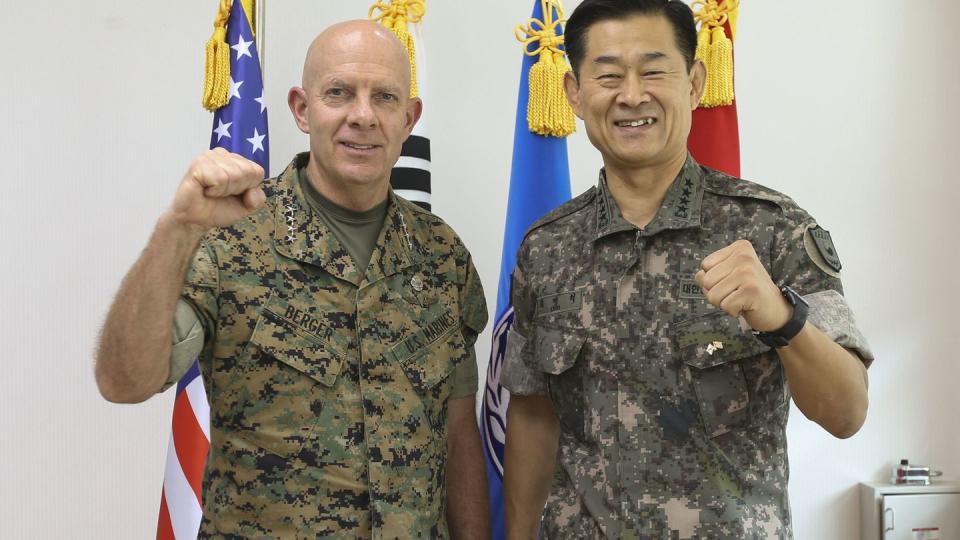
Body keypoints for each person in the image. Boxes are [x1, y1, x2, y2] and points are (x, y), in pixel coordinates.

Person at [95, 20, 489, 538]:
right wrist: (176, 230)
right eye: (339, 93)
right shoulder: (228, 237)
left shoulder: (442, 255)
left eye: (385, 98)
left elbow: (458, 435)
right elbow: (124, 382)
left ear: (409, 118)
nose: (363, 116)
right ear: (302, 109)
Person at [499, 1, 873, 538]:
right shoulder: (546, 247)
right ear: (574, 95)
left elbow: (847, 413)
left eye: (654, 71)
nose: (631, 95)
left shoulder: (773, 229)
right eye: (607, 75)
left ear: (695, 82)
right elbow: (533, 414)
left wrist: (783, 318)